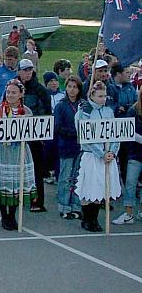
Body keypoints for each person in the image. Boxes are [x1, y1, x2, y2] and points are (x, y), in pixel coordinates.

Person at [0, 79, 37, 230]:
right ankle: (4, 215)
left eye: (14, 92)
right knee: (5, 183)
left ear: (21, 94)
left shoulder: (27, 112)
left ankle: (12, 215)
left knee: (17, 183)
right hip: (5, 151)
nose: (10, 95)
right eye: (8, 92)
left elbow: (30, 132)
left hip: (21, 151)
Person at [75, 81, 121, 232]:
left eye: (105, 96)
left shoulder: (108, 111)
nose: (103, 99)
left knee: (101, 187)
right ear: (92, 95)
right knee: (89, 187)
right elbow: (85, 136)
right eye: (100, 96)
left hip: (107, 154)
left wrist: (113, 151)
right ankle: (88, 219)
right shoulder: (84, 111)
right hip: (92, 155)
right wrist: (101, 153)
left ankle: (94, 218)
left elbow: (115, 133)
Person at [16, 58, 52, 213]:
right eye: (24, 69)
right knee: (17, 169)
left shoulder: (40, 90)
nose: (28, 72)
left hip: (35, 137)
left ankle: (37, 201)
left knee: (36, 169)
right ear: (19, 71)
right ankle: (17, 197)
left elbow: (46, 112)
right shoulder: (11, 88)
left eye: (30, 69)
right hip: (16, 137)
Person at [54, 76, 84, 219]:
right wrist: (75, 133)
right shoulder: (61, 105)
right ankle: (64, 205)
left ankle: (76, 205)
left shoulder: (83, 105)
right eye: (70, 86)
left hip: (80, 146)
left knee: (77, 177)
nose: (72, 89)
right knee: (65, 177)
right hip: (66, 145)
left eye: (75, 87)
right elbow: (57, 126)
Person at [112, 89, 142, 225]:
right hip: (135, 153)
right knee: (130, 182)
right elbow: (129, 131)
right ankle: (129, 213)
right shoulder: (133, 110)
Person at [43, 71, 64, 184]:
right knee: (47, 151)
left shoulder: (62, 95)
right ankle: (47, 172)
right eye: (51, 81)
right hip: (47, 127)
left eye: (55, 80)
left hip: (59, 128)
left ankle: (57, 173)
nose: (54, 83)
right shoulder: (45, 95)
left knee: (58, 151)